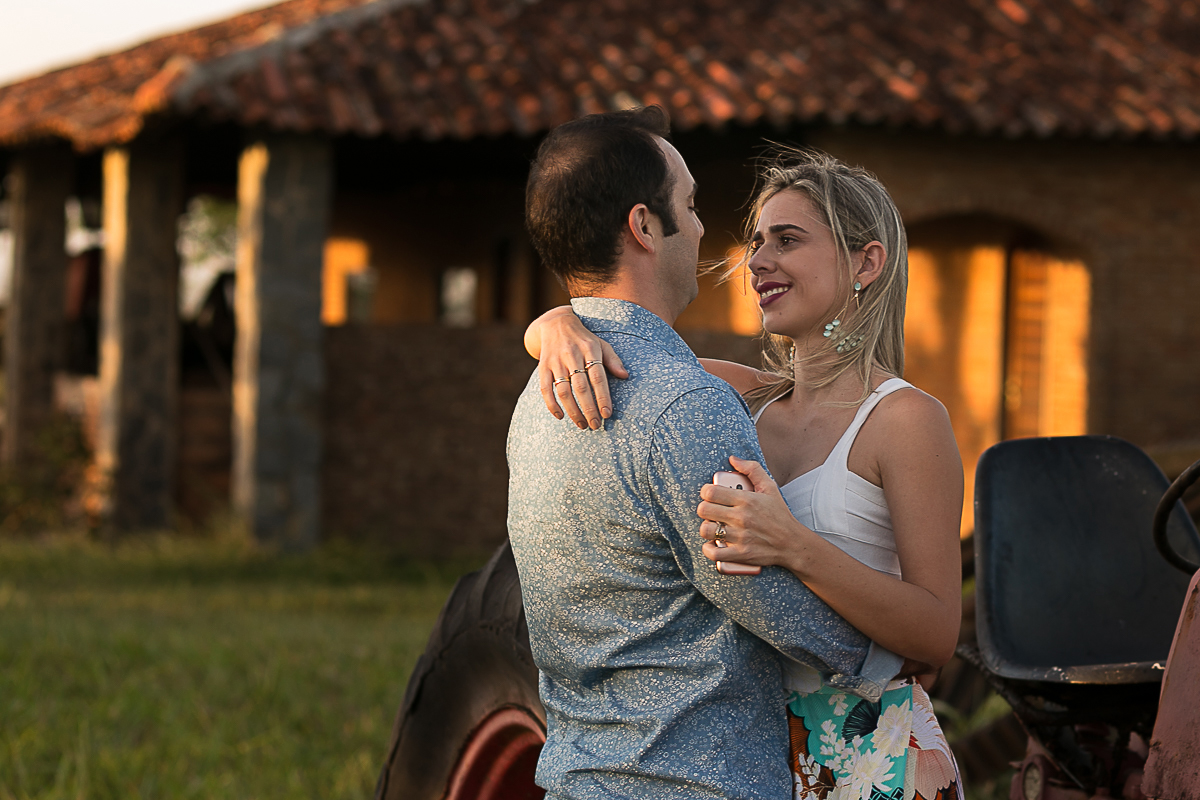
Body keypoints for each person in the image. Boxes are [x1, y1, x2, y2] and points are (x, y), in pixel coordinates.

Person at [527, 148, 964, 800]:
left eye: (787, 240)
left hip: (873, 757)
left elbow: (936, 632)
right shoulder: (734, 397)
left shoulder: (906, 420)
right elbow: (620, 348)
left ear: (866, 263)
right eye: (756, 241)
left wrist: (795, 546)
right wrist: (555, 326)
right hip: (745, 750)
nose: (757, 261)